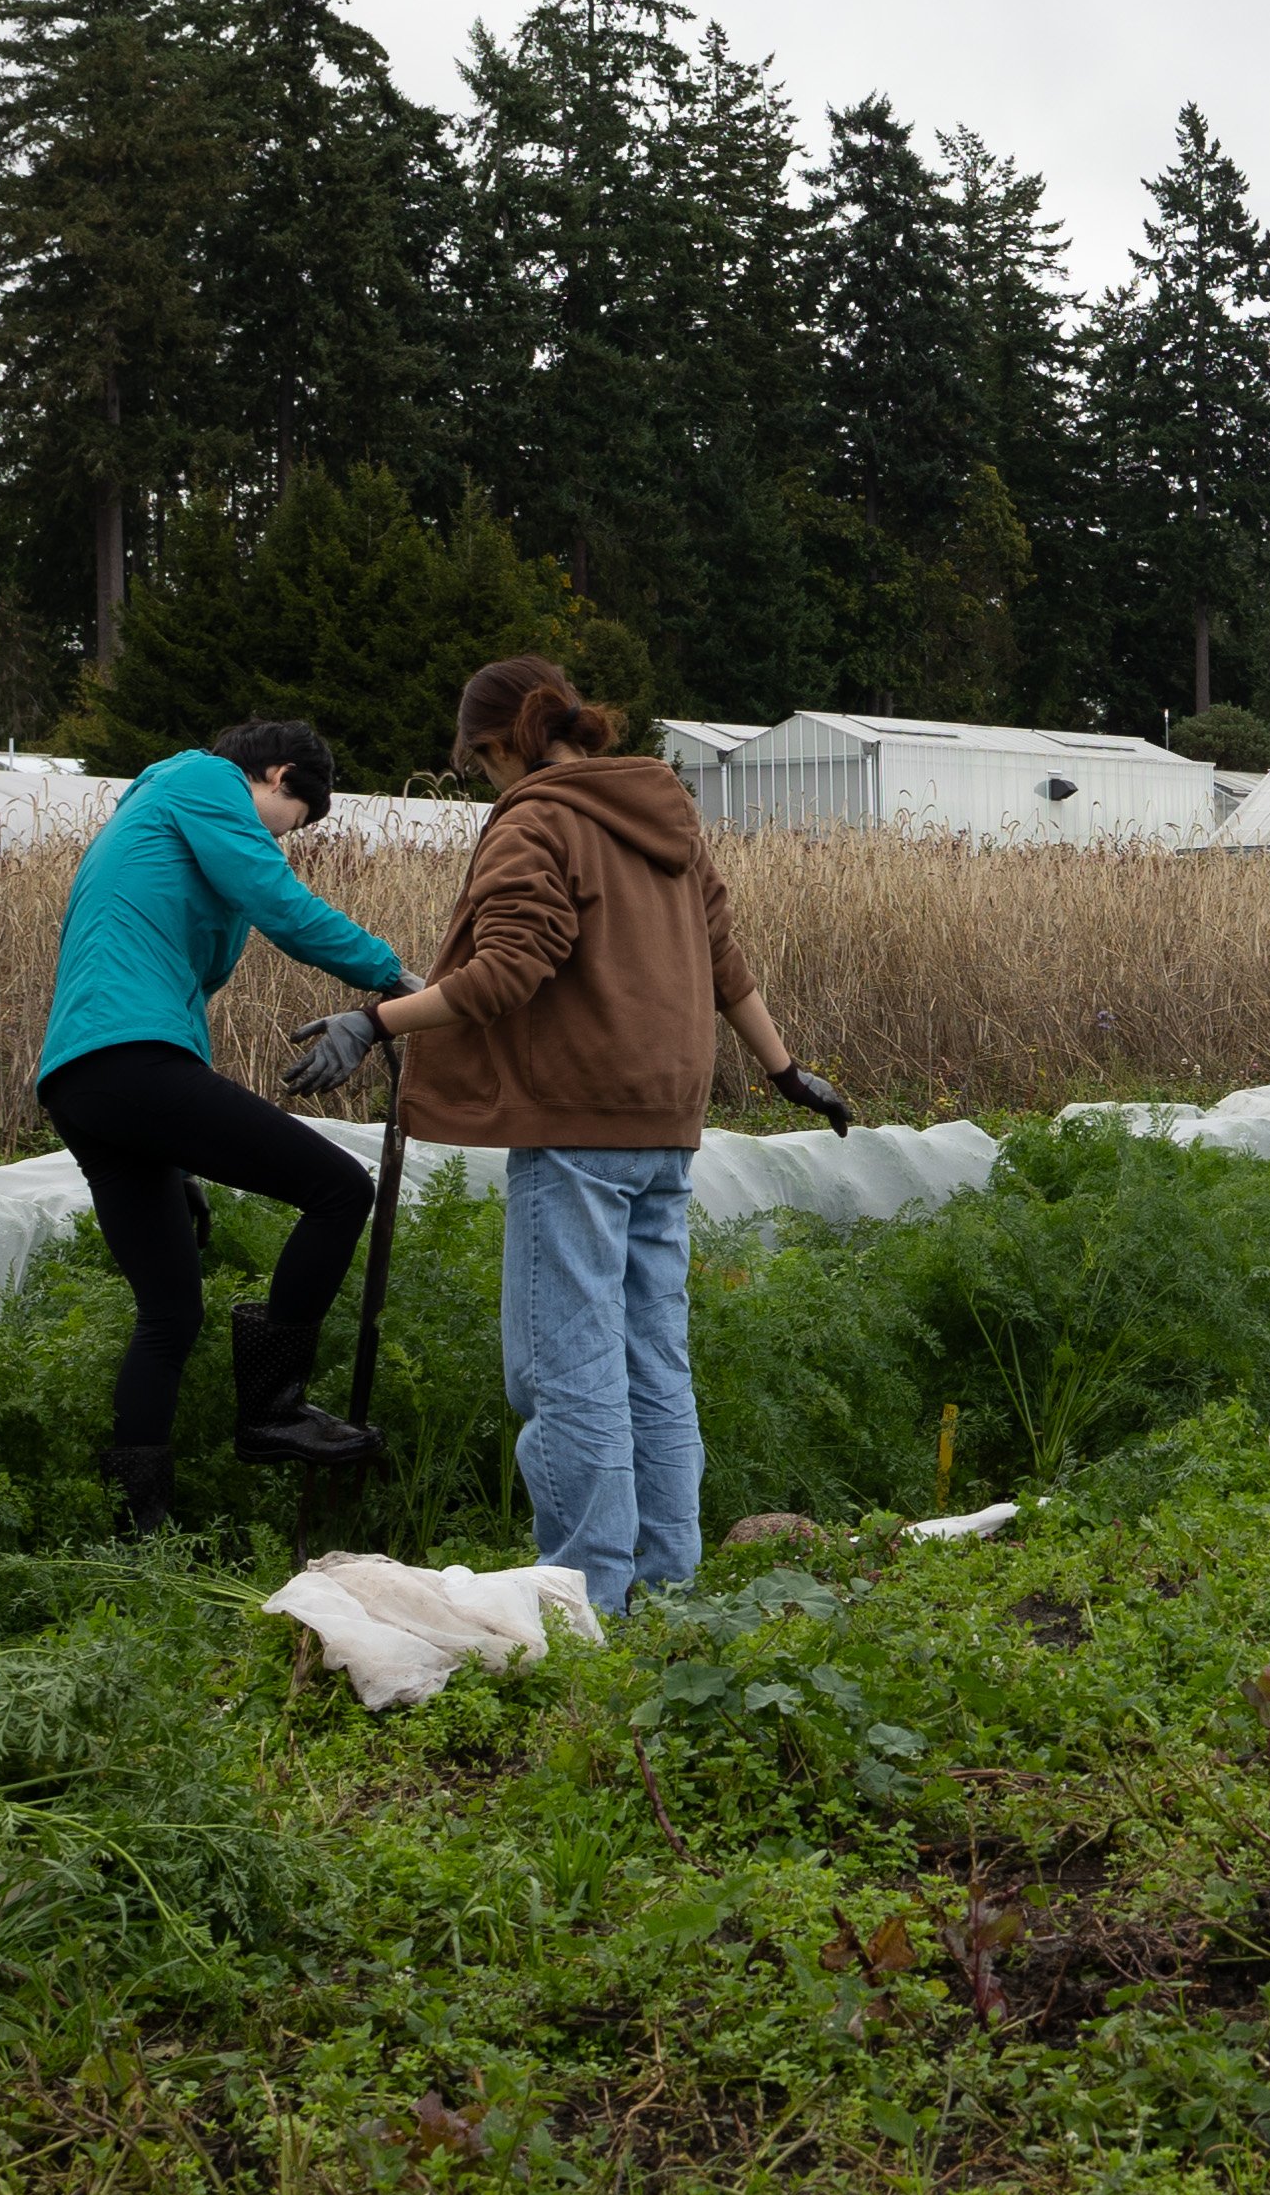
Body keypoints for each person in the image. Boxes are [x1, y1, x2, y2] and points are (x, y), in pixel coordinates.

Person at [284, 655, 849, 1614]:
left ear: (502, 742)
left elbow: (509, 969)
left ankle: (594, 1599)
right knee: (652, 1361)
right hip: (666, 1122)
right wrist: (784, 1070)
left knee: (567, 1369)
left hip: (579, 1124)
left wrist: (372, 1022)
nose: (486, 781)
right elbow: (723, 958)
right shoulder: (662, 812)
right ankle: (668, 1592)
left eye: (480, 763)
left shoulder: (541, 820)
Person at [30, 717, 415, 1532]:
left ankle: (140, 1533)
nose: (286, 841)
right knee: (339, 1188)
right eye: (295, 821)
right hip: (129, 1061)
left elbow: (178, 988)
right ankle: (273, 1408)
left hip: (87, 1080)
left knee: (170, 1313)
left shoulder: (155, 819)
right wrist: (399, 980)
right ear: (277, 776)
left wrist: (181, 1157)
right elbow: (277, 902)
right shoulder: (202, 781)